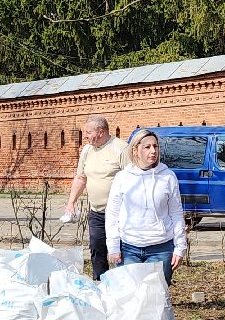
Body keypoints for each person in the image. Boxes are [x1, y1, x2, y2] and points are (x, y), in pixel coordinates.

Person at [105, 129, 187, 285]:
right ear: (135, 150)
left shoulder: (168, 177)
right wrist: (113, 247)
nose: (153, 151)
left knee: (156, 298)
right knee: (131, 297)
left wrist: (180, 247)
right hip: (129, 248)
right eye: (147, 147)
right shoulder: (122, 178)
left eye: (155, 146)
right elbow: (112, 214)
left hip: (161, 248)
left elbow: (176, 213)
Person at [60, 114, 129, 279]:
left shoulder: (121, 148)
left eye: (88, 132)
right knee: (97, 248)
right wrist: (71, 202)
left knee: (120, 251)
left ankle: (124, 285)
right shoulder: (87, 150)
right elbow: (80, 178)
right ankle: (100, 283)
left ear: (100, 131)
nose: (85, 136)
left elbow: (132, 179)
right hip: (96, 212)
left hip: (120, 214)